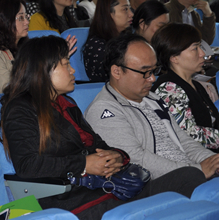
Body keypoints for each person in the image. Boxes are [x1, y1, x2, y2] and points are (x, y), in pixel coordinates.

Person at [1, 35, 207, 219]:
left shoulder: (68, 105)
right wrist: (83, 164)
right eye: (65, 64)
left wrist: (117, 156)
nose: (72, 70)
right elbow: (27, 166)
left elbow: (98, 143)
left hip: (109, 189)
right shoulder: (20, 109)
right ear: (42, 70)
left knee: (189, 176)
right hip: (70, 200)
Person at [85, 33, 219, 180]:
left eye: (154, 71)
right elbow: (135, 160)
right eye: (145, 72)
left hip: (187, 173)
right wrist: (197, 170)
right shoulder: (104, 110)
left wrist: (212, 161)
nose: (153, 78)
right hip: (159, 184)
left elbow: (183, 140)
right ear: (117, 71)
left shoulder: (152, 98)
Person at [151, 23, 219, 151]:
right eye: (195, 48)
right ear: (174, 57)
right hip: (195, 159)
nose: (202, 53)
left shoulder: (195, 84)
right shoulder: (169, 89)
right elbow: (188, 135)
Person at [83, 0, 133, 82]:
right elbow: (115, 79)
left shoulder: (128, 38)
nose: (131, 14)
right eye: (125, 9)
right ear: (109, 13)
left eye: (130, 9)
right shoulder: (97, 46)